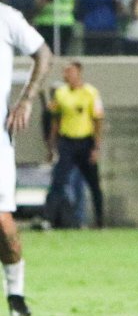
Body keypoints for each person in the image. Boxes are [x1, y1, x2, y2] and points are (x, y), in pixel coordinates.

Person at [0, 0, 52, 316]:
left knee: (3, 224)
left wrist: (27, 99)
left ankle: (15, 294)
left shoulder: (6, 17)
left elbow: (43, 54)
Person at [45, 61, 105, 229]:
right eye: (65, 72)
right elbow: (55, 120)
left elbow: (98, 120)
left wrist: (96, 147)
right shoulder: (60, 93)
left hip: (85, 142)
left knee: (94, 184)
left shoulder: (91, 92)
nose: (66, 75)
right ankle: (48, 220)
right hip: (67, 143)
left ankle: (100, 222)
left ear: (79, 73)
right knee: (58, 181)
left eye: (69, 72)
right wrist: (52, 145)